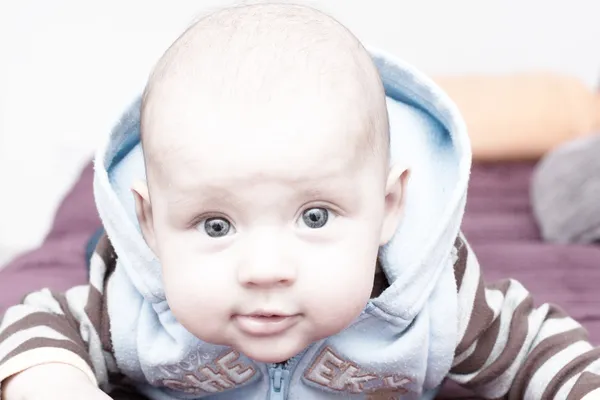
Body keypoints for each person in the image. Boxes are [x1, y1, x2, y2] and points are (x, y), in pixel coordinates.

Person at [1, 4, 599, 400]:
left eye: (314, 216)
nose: (265, 270)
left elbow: (542, 348)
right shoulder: (131, 303)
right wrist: (54, 383)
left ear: (389, 207)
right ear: (151, 223)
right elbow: (35, 322)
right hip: (155, 264)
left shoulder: (438, 301)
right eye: (216, 224)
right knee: (102, 257)